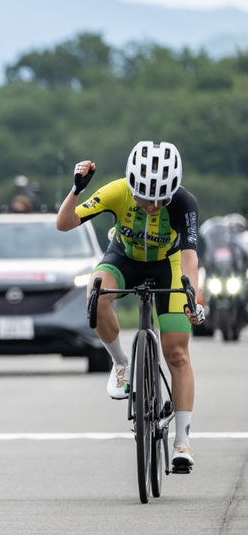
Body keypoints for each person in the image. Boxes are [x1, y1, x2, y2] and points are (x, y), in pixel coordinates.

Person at [55, 141, 204, 472]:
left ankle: (183, 441)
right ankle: (121, 363)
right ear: (132, 185)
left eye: (160, 199)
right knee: (95, 294)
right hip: (124, 259)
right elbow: (64, 224)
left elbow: (191, 256)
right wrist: (76, 190)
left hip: (170, 265)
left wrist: (192, 296)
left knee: (176, 353)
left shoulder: (185, 203)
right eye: (143, 198)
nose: (151, 206)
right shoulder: (117, 191)